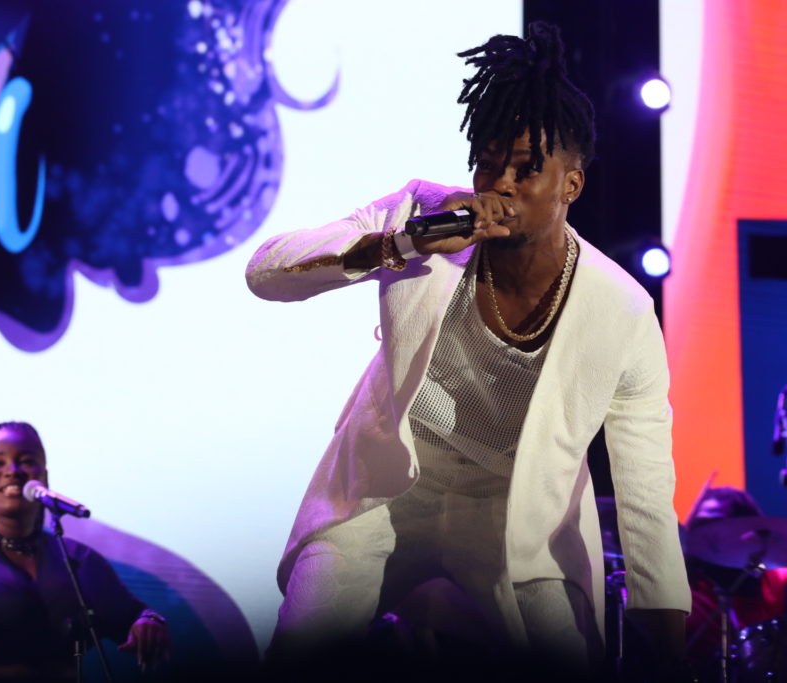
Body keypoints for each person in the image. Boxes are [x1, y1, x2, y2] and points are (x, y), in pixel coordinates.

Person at [246, 22, 690, 679]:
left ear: (571, 185)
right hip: (387, 488)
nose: (500, 183)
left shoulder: (620, 310)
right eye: (487, 162)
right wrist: (406, 241)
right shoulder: (422, 217)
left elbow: (645, 485)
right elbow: (267, 272)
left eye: (526, 169)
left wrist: (671, 642)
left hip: (513, 513)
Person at [0, 422, 170, 681]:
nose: (12, 471)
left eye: (26, 461)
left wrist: (149, 622)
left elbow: (133, 615)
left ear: (44, 478)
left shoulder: (78, 559)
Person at [683, 486, 787, 681]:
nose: (707, 534)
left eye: (716, 525)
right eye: (701, 525)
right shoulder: (679, 581)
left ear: (748, 531)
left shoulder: (782, 580)